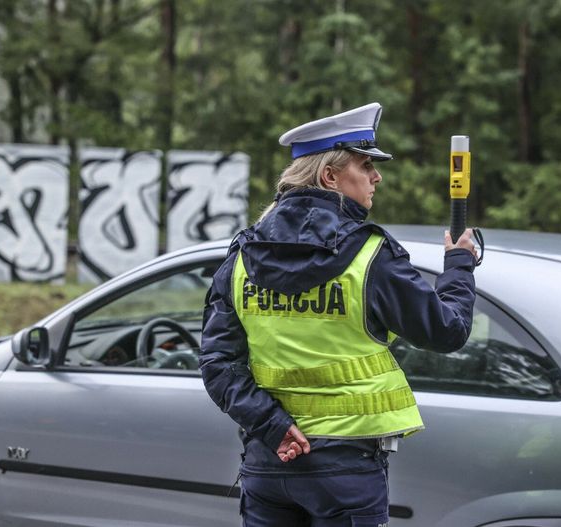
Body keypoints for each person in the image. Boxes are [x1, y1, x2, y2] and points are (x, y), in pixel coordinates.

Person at [199, 102, 477, 526]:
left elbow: (218, 365)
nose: (376, 176)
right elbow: (448, 331)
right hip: (346, 474)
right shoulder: (370, 256)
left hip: (269, 462)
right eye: (366, 165)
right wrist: (458, 263)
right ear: (330, 176)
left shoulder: (241, 256)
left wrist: (272, 425)